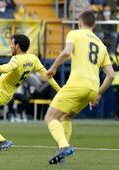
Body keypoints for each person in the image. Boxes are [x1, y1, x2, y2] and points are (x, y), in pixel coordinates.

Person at [44, 11, 115, 164]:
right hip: (92, 87)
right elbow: (111, 75)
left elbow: (66, 52)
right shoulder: (101, 45)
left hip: (77, 83)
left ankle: (64, 146)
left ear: (79, 22)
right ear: (94, 25)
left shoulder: (75, 34)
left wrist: (53, 68)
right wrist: (98, 93)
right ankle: (62, 153)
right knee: (67, 116)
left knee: (50, 117)